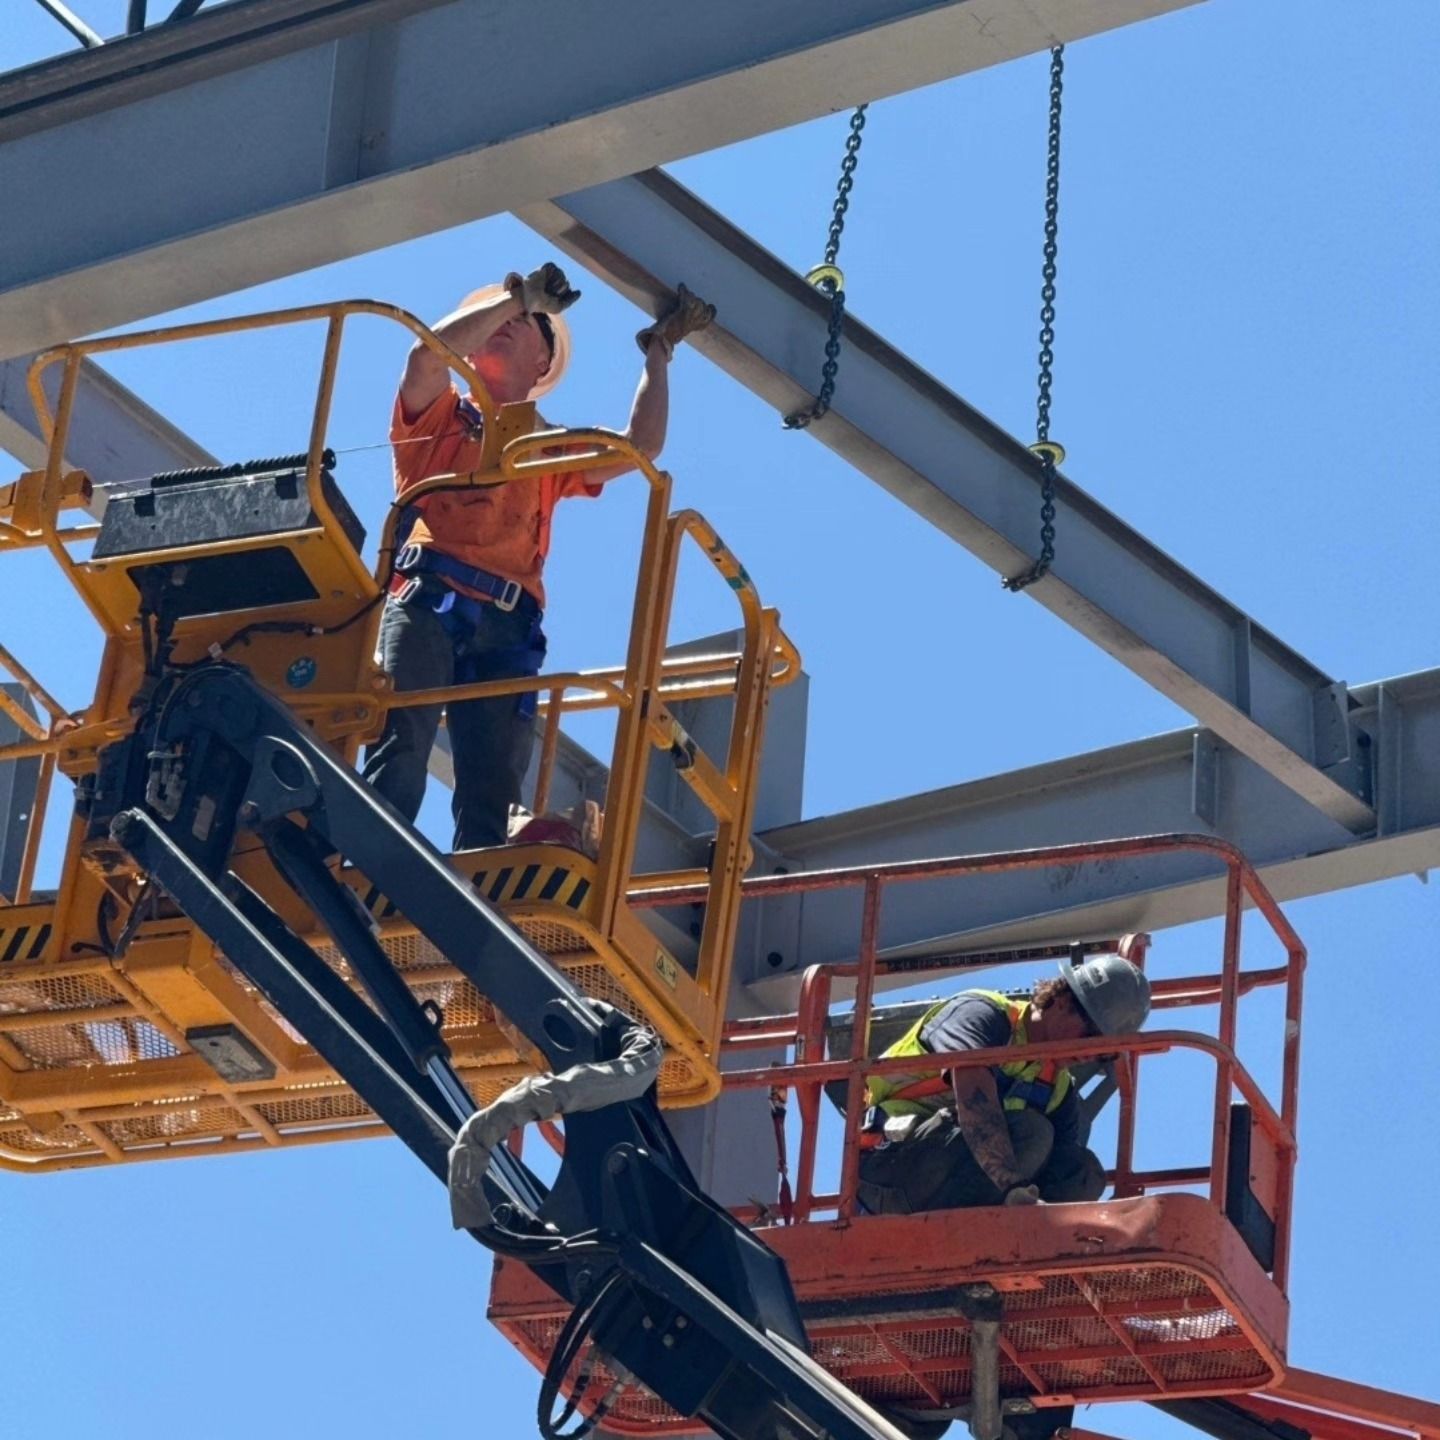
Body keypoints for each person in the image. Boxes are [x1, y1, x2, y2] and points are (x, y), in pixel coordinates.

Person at [362, 262, 714, 849]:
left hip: (507, 626)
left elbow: (641, 446)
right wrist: (517, 299)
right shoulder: (440, 417)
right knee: (399, 755)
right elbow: (425, 359)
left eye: (526, 320)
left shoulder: (547, 449)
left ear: (543, 363)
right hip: (427, 604)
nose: (509, 321)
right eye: (501, 314)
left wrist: (659, 352)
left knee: (493, 802)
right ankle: (371, 869)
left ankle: (476, 910)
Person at [856, 953, 1151, 1215]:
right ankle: (969, 1238)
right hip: (889, 1175)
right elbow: (976, 1100)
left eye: (1104, 1053)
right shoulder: (982, 1014)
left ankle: (1022, 1257)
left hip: (950, 1184)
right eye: (1091, 1037)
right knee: (1032, 1132)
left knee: (1082, 1172)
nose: (1090, 1055)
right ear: (1063, 1002)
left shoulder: (1057, 1090)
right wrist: (1014, 1191)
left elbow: (1066, 1177)